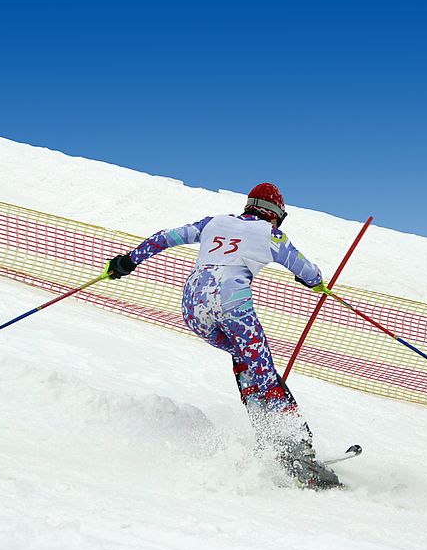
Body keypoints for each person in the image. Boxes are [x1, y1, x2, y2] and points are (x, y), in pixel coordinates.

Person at [105, 182, 340, 489]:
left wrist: (128, 261)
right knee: (264, 372)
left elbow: (166, 237)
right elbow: (306, 270)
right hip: (233, 307)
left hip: (193, 308)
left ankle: (268, 435)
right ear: (275, 215)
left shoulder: (213, 222)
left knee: (243, 358)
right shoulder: (272, 235)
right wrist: (315, 282)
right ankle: (299, 452)